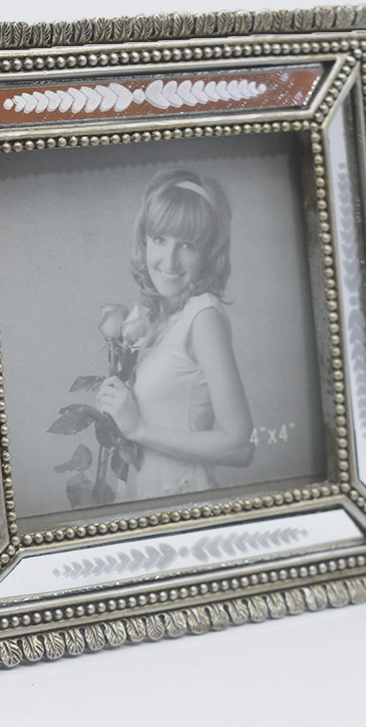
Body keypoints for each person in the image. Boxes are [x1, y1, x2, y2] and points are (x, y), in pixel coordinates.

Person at [97, 170, 254, 501]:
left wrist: (140, 429)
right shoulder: (149, 313)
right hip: (142, 491)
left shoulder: (203, 317)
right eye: (159, 239)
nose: (169, 261)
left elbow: (241, 446)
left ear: (208, 252)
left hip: (183, 496)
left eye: (187, 245)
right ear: (144, 240)